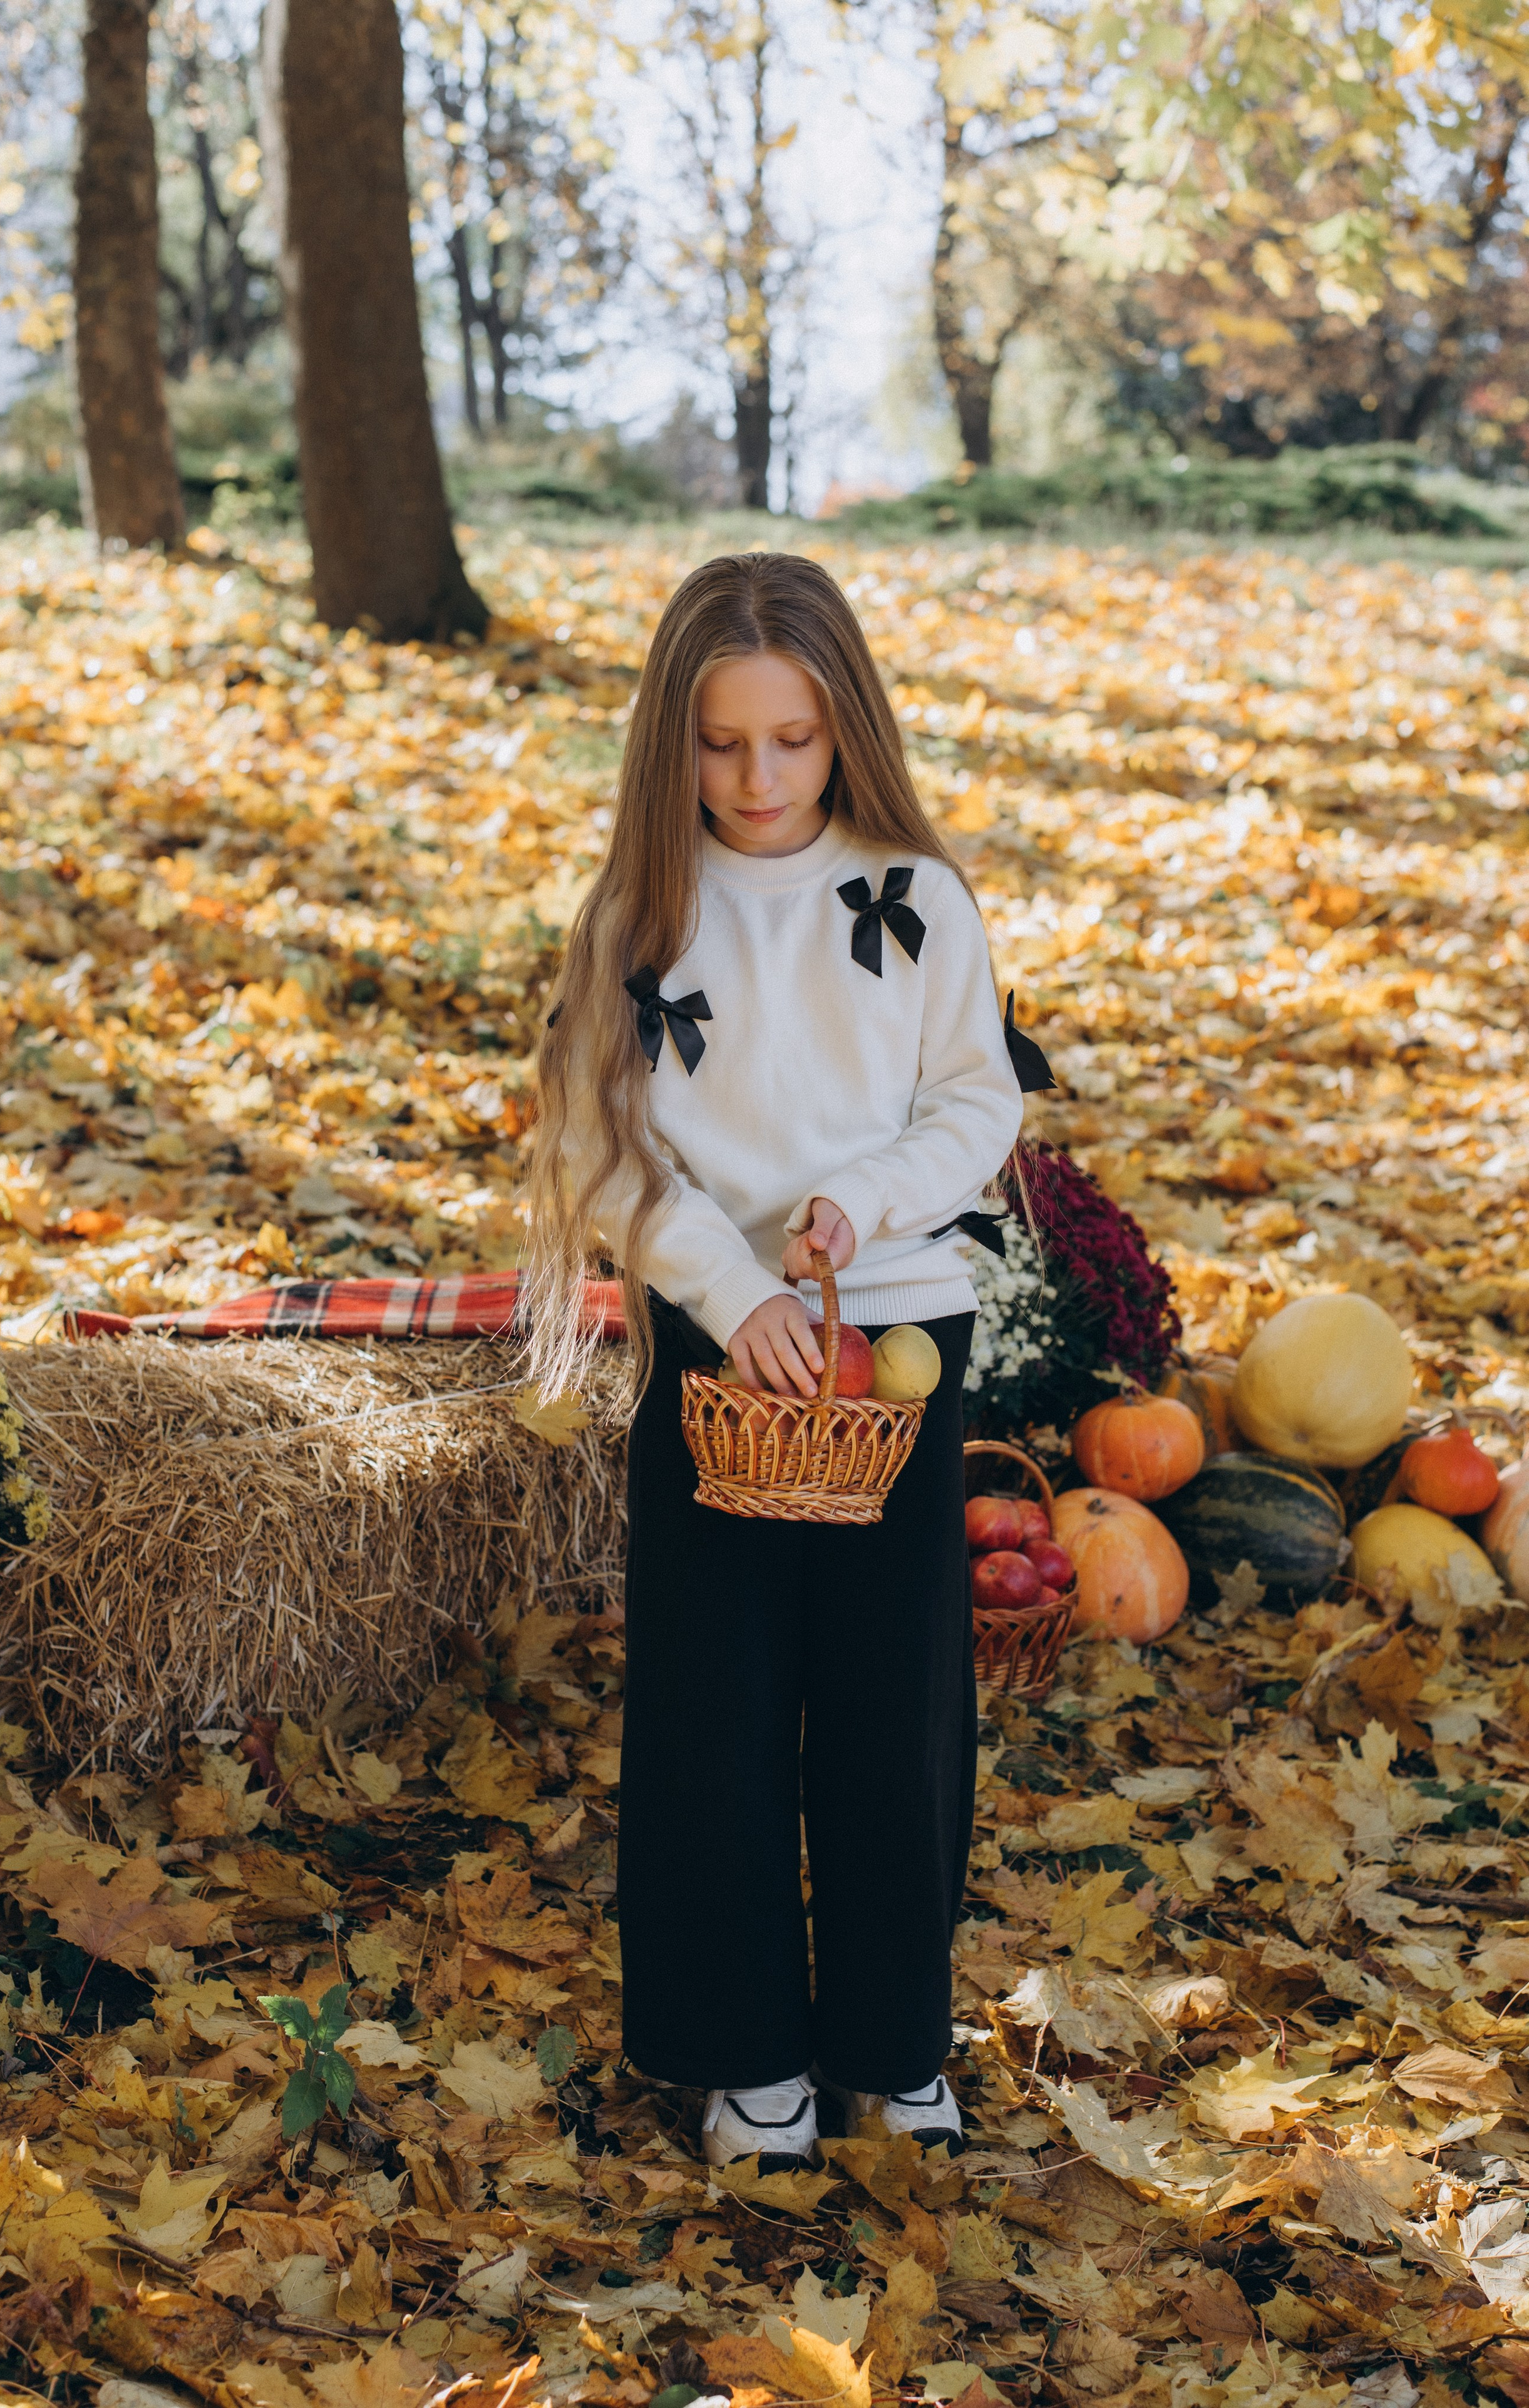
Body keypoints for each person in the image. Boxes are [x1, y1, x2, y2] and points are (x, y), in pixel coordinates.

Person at [527, 550, 1024, 2168]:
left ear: (843, 729)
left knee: (894, 1701)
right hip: (716, 1335)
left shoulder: (916, 899)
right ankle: (742, 2048)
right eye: (723, 743)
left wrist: (863, 1203)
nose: (759, 779)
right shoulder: (639, 921)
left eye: (794, 741)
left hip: (895, 1324)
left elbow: (978, 1101)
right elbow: (602, 1150)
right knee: (717, 1699)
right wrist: (727, 1287)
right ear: (670, 741)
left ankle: (892, 2036)